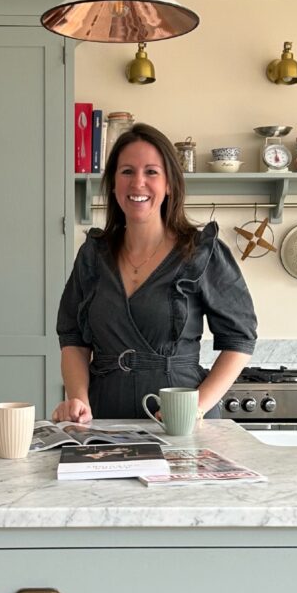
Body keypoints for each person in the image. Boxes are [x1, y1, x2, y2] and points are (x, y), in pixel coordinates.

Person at [53, 123, 256, 423]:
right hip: (106, 418)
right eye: (127, 172)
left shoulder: (201, 251)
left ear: (169, 184)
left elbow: (240, 340)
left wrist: (196, 407)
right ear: (112, 184)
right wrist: (79, 400)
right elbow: (73, 339)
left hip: (180, 423)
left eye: (151, 172)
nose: (138, 183)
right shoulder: (92, 256)